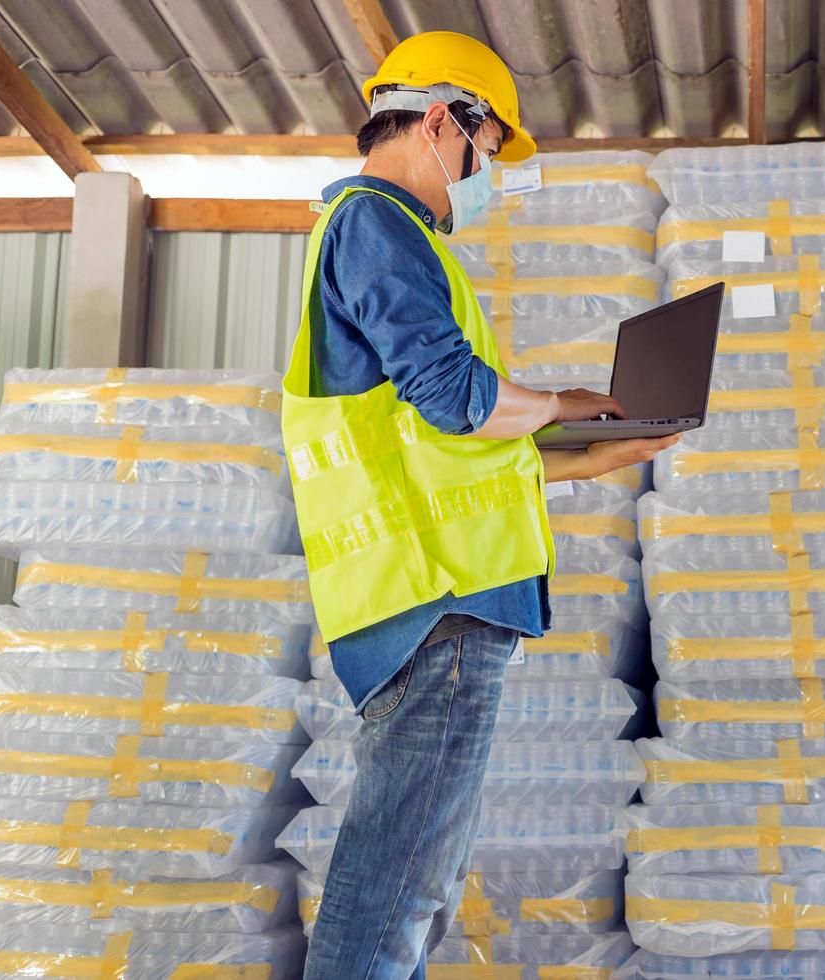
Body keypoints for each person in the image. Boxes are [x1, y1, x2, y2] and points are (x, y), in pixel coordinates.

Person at [280, 30, 677, 979]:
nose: (487, 173)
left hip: (437, 593)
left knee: (415, 875)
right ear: (439, 121)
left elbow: (456, 447)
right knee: (398, 883)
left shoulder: (385, 236)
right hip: (435, 599)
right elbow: (454, 395)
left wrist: (596, 450)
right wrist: (569, 403)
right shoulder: (376, 223)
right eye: (488, 148)